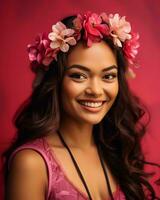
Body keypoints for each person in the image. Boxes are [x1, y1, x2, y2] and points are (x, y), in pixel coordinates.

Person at [2, 11, 160, 200]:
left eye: (108, 76)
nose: (95, 90)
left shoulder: (116, 151)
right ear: (56, 80)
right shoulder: (32, 164)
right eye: (79, 75)